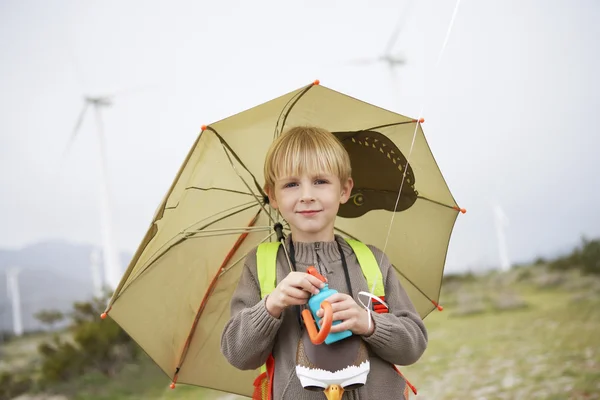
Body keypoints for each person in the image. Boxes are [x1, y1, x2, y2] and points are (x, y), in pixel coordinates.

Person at [220, 126, 427, 399]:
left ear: (344, 190)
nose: (307, 195)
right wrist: (271, 305)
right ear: (273, 196)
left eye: (320, 181)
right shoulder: (261, 265)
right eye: (291, 184)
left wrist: (368, 323)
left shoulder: (372, 260)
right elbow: (238, 354)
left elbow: (413, 345)